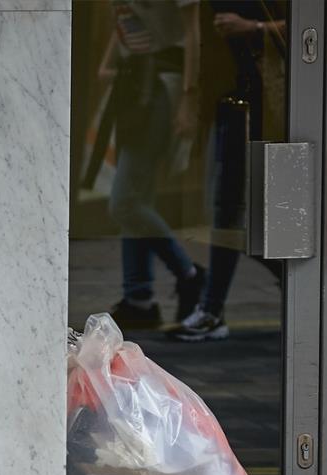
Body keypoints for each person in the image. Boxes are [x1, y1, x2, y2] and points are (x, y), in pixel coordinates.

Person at [168, 1, 287, 343]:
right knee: (229, 211)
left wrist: (253, 28)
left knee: (239, 214)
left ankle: (213, 308)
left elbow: (315, 28)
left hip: (267, 105)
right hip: (229, 104)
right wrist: (192, 101)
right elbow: (198, 36)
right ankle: (214, 307)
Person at [103, 0, 208, 331]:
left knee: (125, 202)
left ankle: (189, 274)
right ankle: (139, 299)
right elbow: (127, 17)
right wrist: (110, 60)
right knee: (136, 197)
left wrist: (189, 99)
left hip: (161, 83)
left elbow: (193, 32)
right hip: (134, 80)